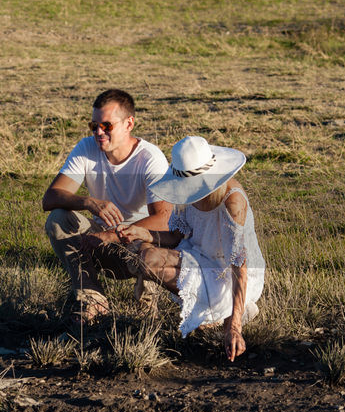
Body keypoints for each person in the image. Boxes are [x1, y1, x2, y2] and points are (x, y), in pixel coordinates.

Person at [118, 135, 265, 361]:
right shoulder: (187, 196)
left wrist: (234, 327)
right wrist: (143, 233)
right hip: (197, 257)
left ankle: (229, 312)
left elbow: (240, 265)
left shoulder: (232, 202)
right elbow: (177, 236)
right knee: (137, 252)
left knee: (148, 260)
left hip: (226, 275)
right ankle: (208, 313)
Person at [42, 89, 171, 322]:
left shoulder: (150, 158)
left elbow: (163, 218)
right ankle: (92, 298)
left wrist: (110, 235)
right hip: (98, 242)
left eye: (107, 126)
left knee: (148, 249)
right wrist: (88, 202)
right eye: (94, 126)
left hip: (136, 244)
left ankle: (146, 303)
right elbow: (50, 199)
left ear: (129, 123)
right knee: (58, 218)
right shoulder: (86, 148)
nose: (99, 132)